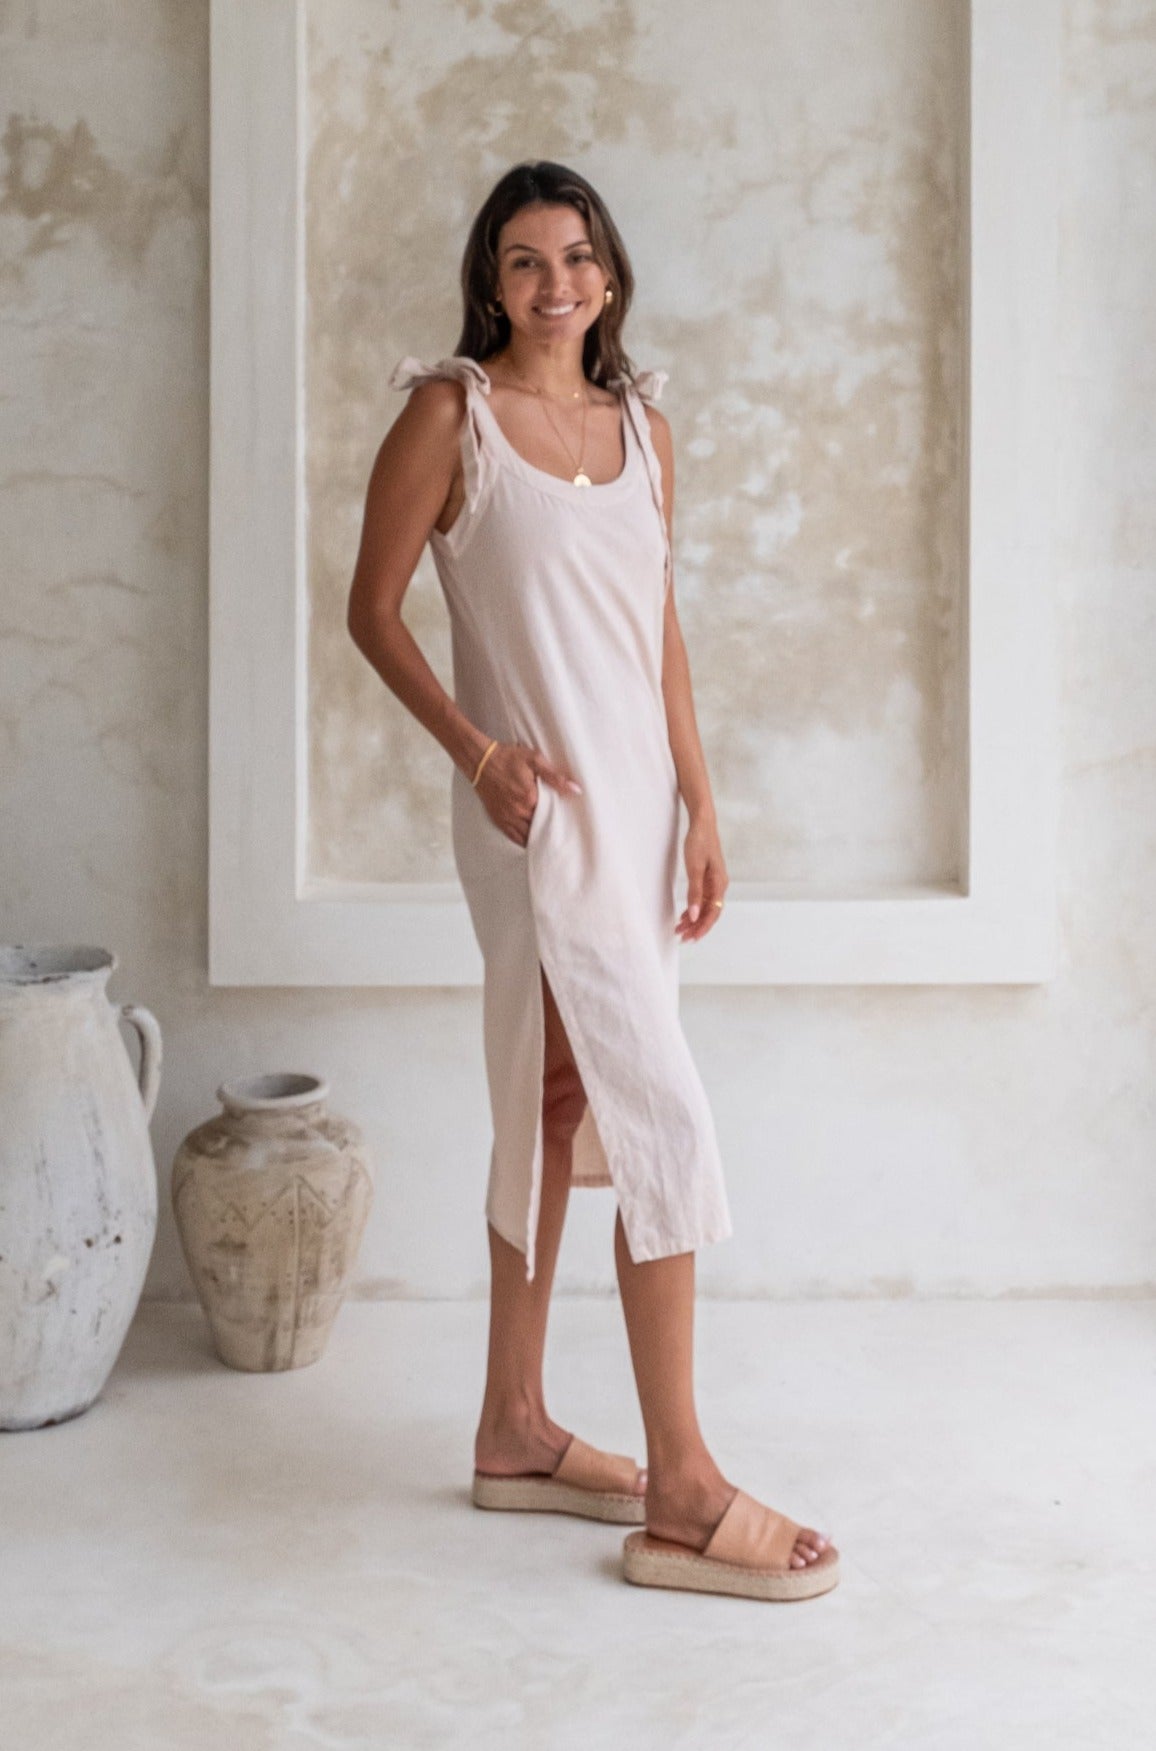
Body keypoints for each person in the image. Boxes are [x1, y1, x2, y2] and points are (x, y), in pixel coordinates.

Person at [347, 160, 838, 1601]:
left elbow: (657, 627)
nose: (553, 283)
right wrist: (478, 754)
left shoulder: (644, 429)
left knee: (558, 1099)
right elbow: (371, 611)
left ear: (609, 276)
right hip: (537, 819)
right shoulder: (450, 418)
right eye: (523, 261)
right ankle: (683, 1484)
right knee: (657, 1114)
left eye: (575, 257)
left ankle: (512, 1428)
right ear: (490, 285)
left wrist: (703, 800)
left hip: (639, 813)